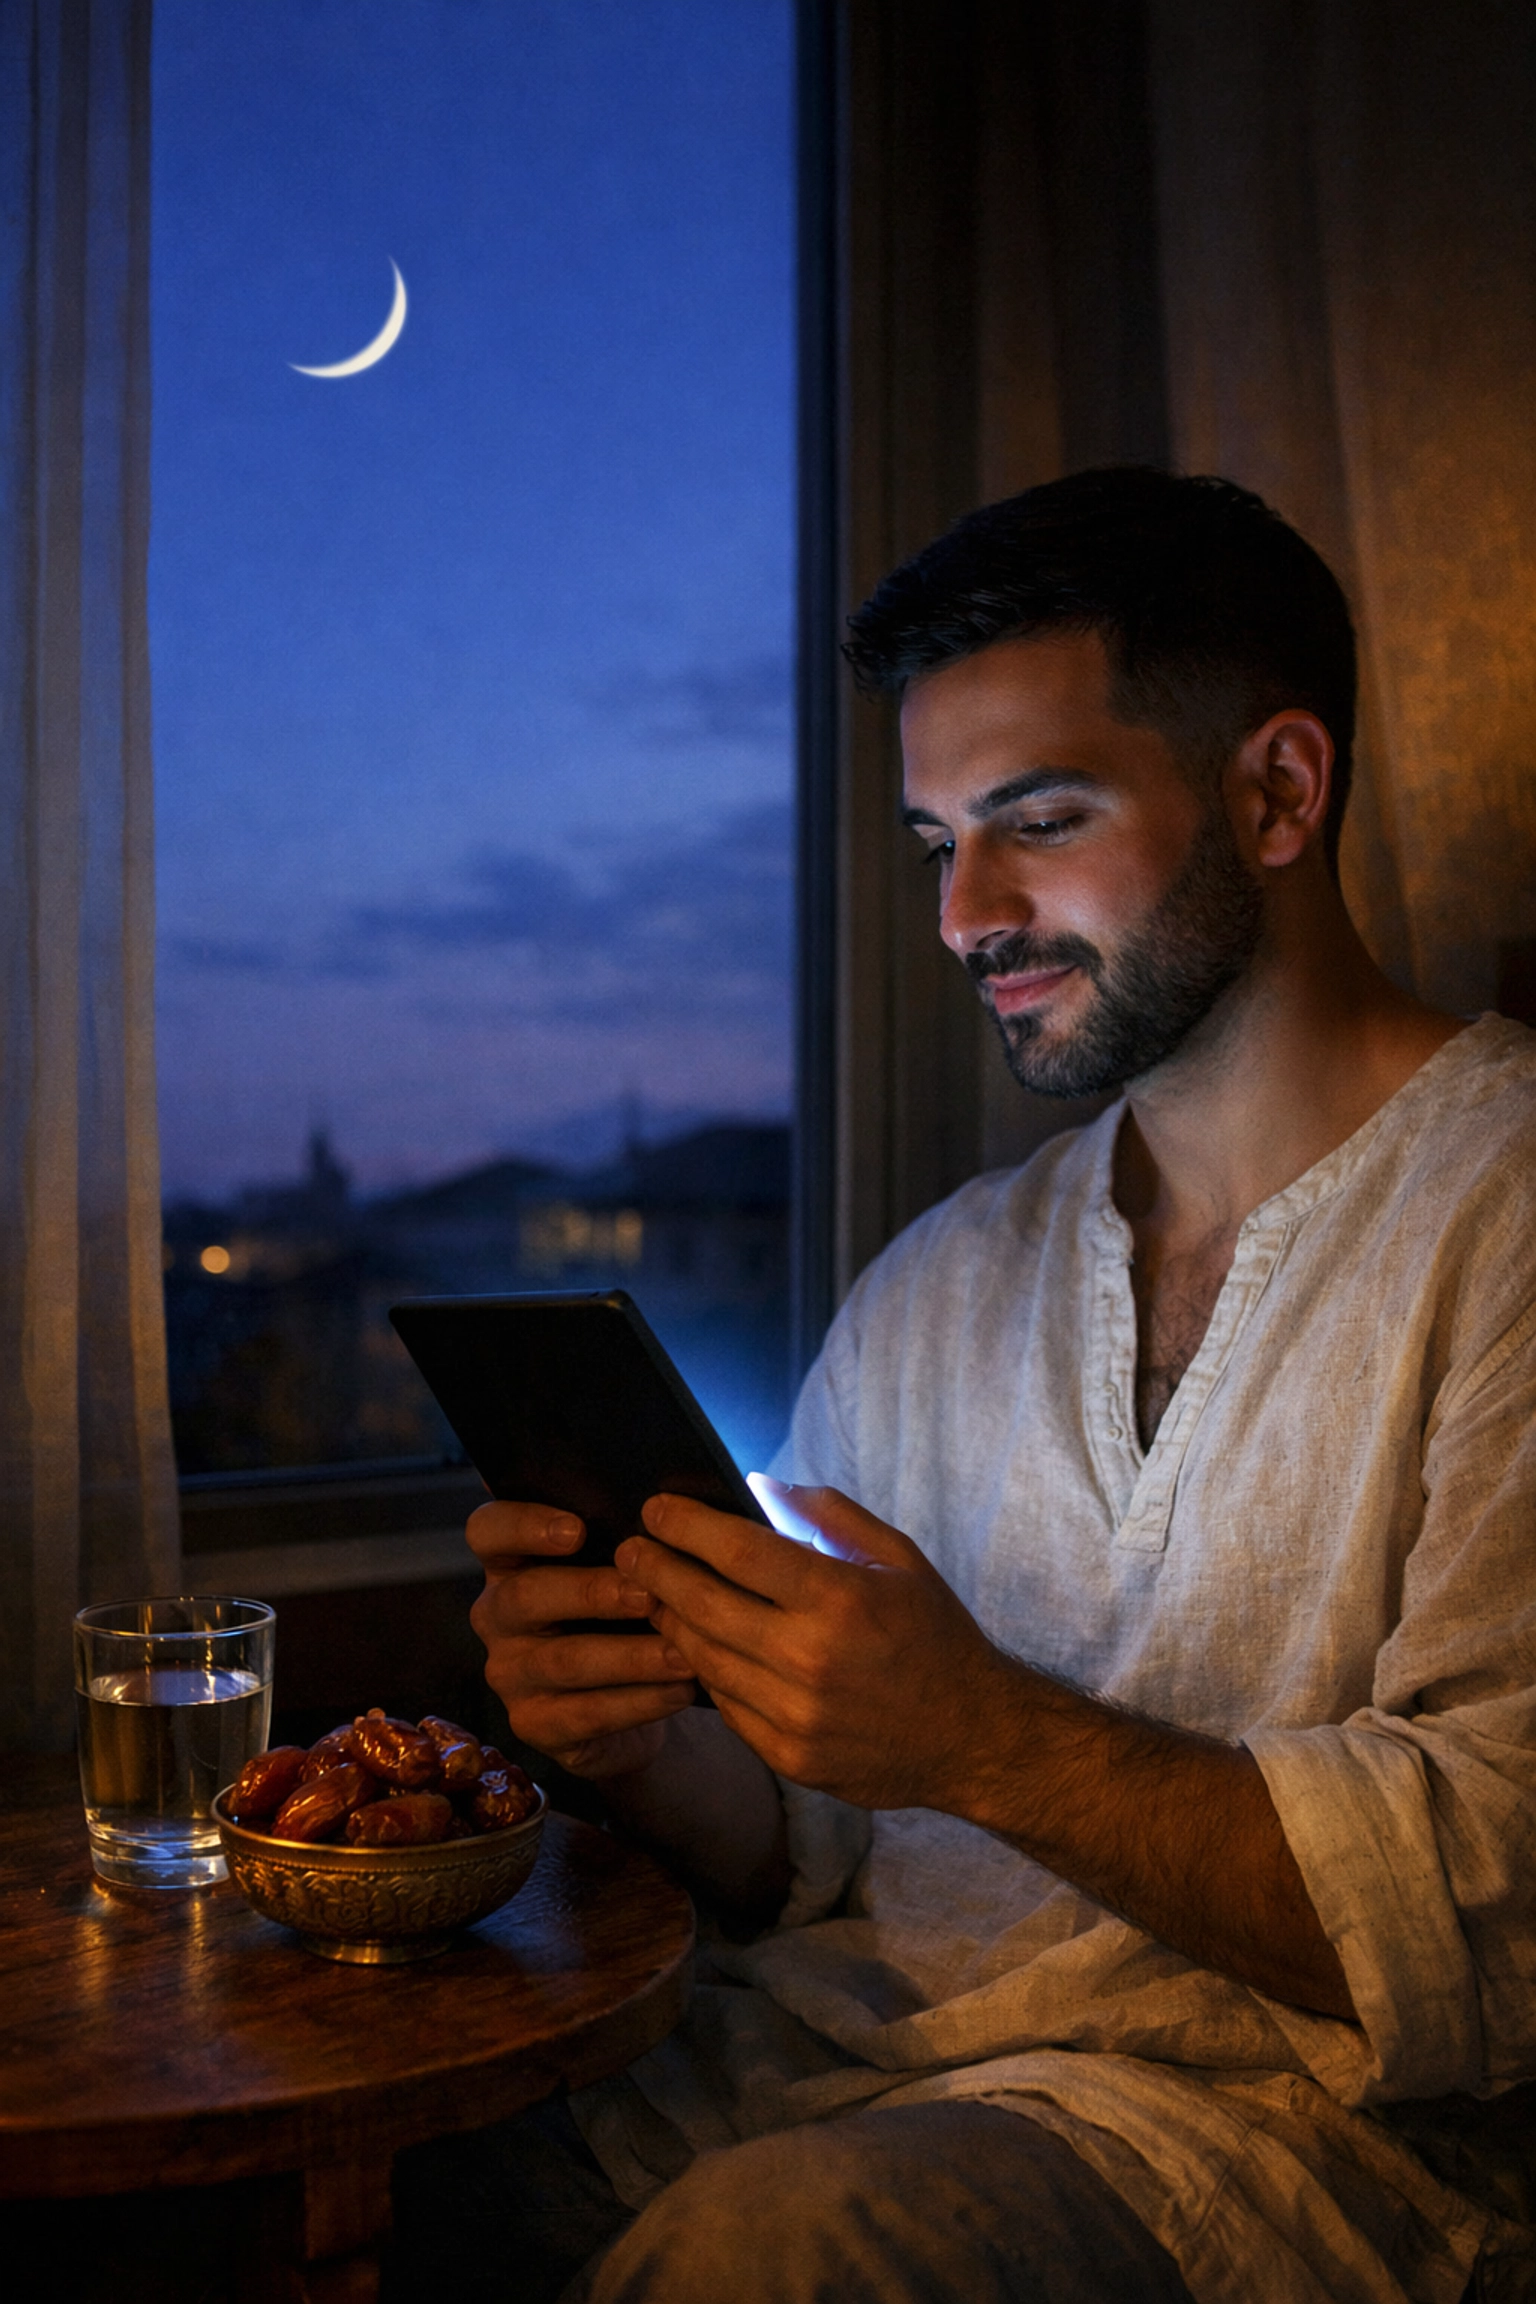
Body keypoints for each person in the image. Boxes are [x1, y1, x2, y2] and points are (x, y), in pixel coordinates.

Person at [389, 469, 1536, 2304]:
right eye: (939, 844)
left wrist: (984, 1734)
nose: (964, 914)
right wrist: (656, 1744)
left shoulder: (1505, 1212)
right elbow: (813, 1845)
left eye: (1039, 820)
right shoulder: (946, 1281)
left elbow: (1506, 1897)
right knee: (387, 2172)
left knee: (779, 2253)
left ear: (1277, 791)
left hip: (1280, 2147)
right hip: (838, 2052)